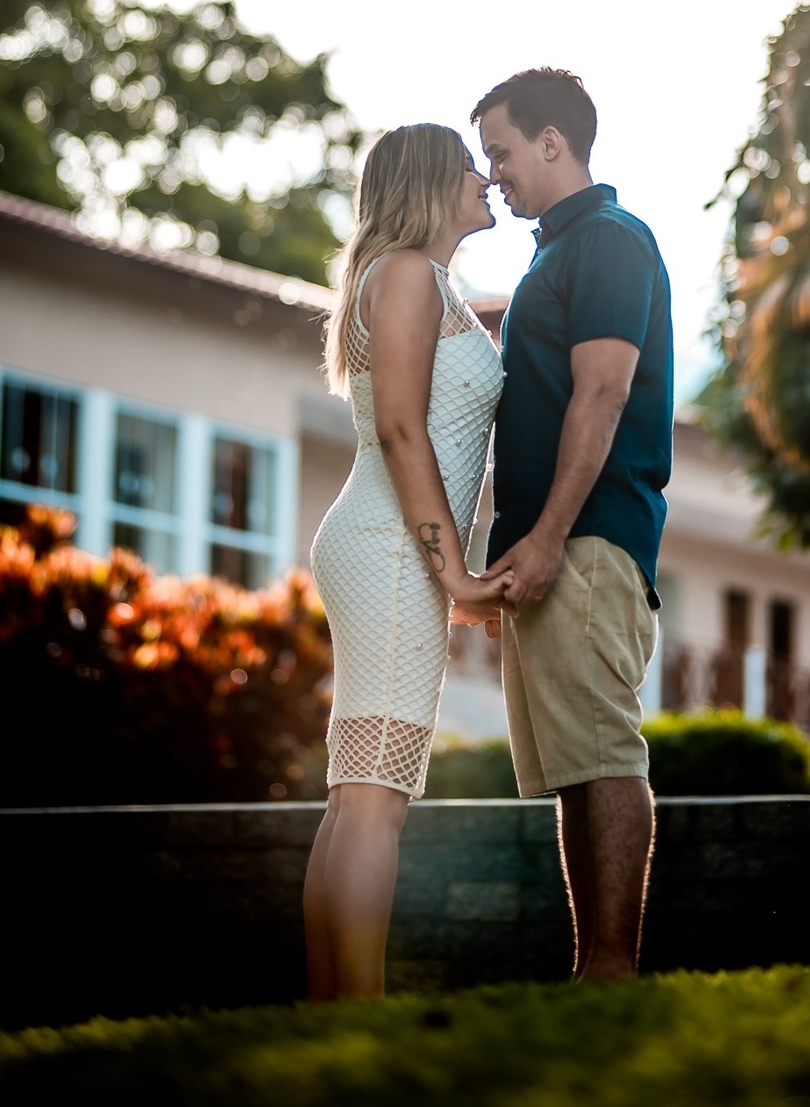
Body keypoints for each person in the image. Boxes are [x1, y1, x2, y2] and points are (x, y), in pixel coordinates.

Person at [468, 68, 673, 982]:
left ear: (554, 141)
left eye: (502, 152)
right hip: (547, 545)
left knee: (604, 753)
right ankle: (592, 969)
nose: (496, 173)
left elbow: (604, 390)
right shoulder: (551, 256)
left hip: (589, 541)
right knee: (572, 765)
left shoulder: (612, 243)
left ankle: (615, 970)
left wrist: (550, 535)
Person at [303, 123, 513, 1000]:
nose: (485, 176)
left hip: (390, 549)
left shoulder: (425, 281)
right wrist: (452, 571)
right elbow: (398, 429)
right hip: (390, 551)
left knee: (360, 789)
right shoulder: (407, 276)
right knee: (376, 796)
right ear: (431, 182)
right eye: (470, 164)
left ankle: (329, 1004)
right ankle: (359, 1005)